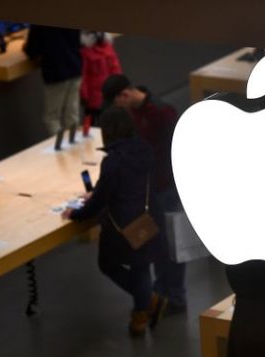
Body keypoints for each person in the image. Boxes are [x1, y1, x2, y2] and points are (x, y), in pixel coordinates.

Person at [61, 106, 162, 335]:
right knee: (141, 266)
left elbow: (100, 201)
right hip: (147, 218)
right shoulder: (144, 149)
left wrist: (76, 213)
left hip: (122, 225)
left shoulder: (113, 161)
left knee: (107, 264)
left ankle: (144, 306)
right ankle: (143, 310)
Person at [101, 74, 186, 318]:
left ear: (125, 95)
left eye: (118, 104)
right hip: (149, 189)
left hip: (166, 187)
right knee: (157, 245)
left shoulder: (162, 112)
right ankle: (161, 293)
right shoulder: (135, 113)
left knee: (171, 245)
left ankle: (175, 296)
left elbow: (175, 149)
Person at [24, 25, 83, 137]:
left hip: (56, 72)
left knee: (52, 118)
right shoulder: (69, 14)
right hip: (75, 67)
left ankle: (61, 148)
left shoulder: (40, 22)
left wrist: (26, 47)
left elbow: (32, 50)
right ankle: (75, 146)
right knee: (72, 114)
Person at [79, 32, 122, 125]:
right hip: (100, 96)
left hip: (99, 97)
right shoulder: (107, 49)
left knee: (97, 125)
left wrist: (83, 95)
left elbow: (115, 69)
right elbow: (116, 71)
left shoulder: (86, 52)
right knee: (99, 123)